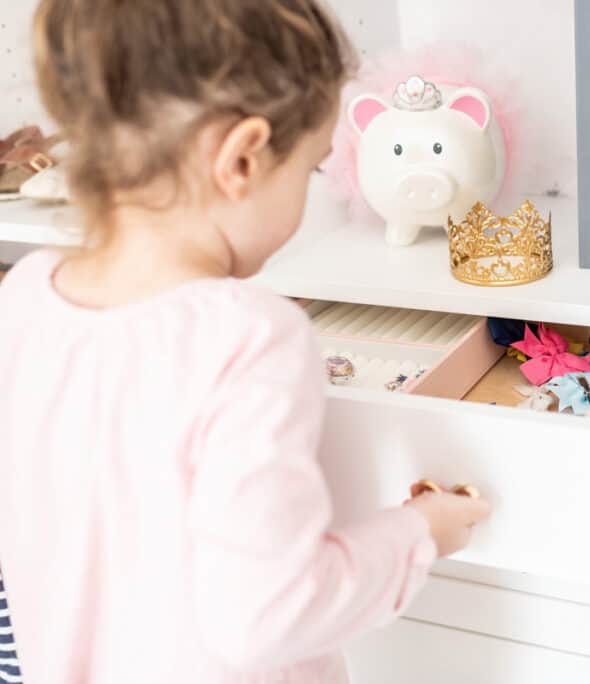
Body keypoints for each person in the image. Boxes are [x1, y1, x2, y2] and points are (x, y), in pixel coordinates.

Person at [0, 1, 491, 681]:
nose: (310, 190)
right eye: (311, 169)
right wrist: (421, 533)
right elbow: (270, 614)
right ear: (241, 159)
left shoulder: (23, 297)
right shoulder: (246, 335)